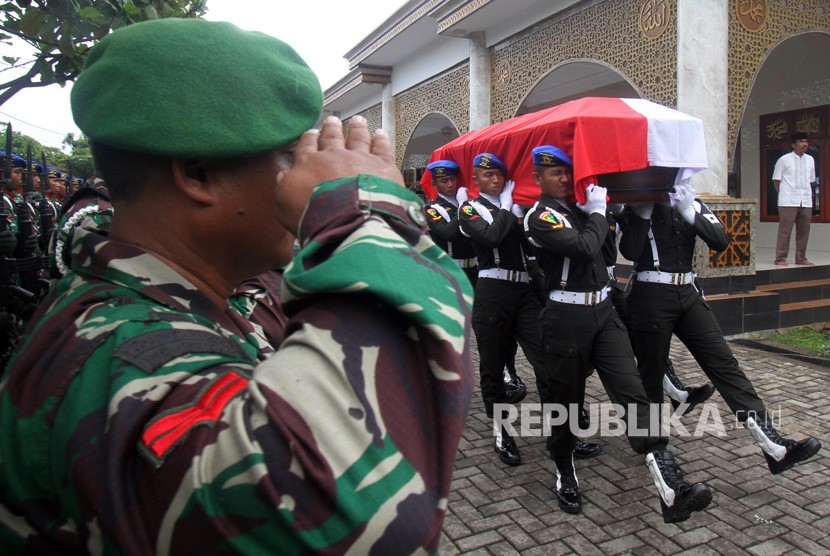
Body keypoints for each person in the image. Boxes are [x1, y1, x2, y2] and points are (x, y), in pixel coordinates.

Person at [0, 18, 474, 554]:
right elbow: (358, 520)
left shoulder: (214, 288)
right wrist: (363, 217)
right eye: (294, 158)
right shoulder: (116, 355)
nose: (307, 178)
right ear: (199, 175)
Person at [523, 145, 711, 522]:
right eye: (554, 173)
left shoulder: (586, 210)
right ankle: (564, 468)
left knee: (634, 392)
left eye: (567, 172)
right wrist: (596, 212)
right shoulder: (538, 217)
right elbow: (582, 247)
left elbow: (607, 253)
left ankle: (670, 486)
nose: (563, 179)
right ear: (537, 178)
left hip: (605, 311)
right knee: (567, 402)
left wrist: (614, 211)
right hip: (565, 317)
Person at [619, 181, 822, 476]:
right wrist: (642, 213)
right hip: (650, 295)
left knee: (724, 363)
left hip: (688, 294)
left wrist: (689, 210)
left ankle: (773, 445)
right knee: (650, 376)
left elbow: (720, 240)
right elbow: (630, 249)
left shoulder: (692, 202)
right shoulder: (636, 207)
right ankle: (655, 449)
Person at [459, 152, 600, 468]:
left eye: (499, 175)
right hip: (492, 291)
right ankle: (502, 431)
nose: (495, 180)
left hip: (524, 292)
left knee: (548, 363)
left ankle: (564, 436)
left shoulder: (521, 208)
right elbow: (491, 235)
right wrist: (508, 207)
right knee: (493, 367)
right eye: (488, 176)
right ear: (475, 180)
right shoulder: (469, 209)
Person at [424, 158, 526, 403]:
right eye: (444, 180)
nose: (449, 184)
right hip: (449, 275)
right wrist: (462, 206)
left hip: (476, 271)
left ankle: (507, 371)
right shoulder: (433, 209)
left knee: (493, 329)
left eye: (452, 179)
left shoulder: (476, 206)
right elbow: (448, 233)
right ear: (435, 184)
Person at [772, 132, 816, 266]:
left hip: (806, 200)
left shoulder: (810, 159)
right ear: (793, 145)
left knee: (804, 231)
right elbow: (776, 180)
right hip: (788, 201)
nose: (805, 144)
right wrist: (784, 194)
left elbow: (812, 180)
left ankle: (801, 258)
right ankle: (780, 258)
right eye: (801, 141)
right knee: (785, 231)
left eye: (806, 142)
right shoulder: (784, 160)